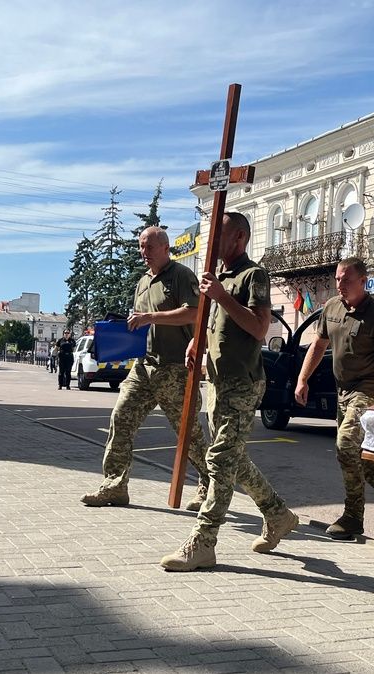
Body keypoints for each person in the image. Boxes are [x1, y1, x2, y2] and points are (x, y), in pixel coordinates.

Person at [160, 212, 298, 572]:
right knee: (235, 460)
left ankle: (203, 543)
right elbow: (213, 324)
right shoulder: (218, 277)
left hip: (244, 383)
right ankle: (278, 514)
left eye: (217, 237)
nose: (211, 245)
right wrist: (197, 344)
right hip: (218, 382)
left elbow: (257, 327)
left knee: (220, 460)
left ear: (238, 238)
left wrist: (222, 296)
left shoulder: (254, 275)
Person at [80, 226, 211, 511]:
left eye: (149, 247)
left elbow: (195, 312)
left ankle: (208, 484)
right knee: (121, 419)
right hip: (142, 366)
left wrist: (150, 317)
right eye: (141, 247)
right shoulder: (143, 281)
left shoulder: (180, 276)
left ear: (165, 248)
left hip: (175, 369)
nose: (144, 252)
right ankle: (114, 486)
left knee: (188, 433)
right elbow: (140, 321)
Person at [295, 257, 374, 541]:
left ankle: (353, 517)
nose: (340, 285)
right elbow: (318, 345)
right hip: (342, 390)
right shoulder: (332, 308)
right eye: (337, 279)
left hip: (369, 388)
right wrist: (302, 378)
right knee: (354, 452)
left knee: (345, 444)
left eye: (346, 280)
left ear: (363, 281)